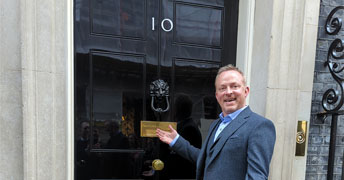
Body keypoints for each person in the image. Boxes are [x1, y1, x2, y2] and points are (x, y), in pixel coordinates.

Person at [156, 64, 276, 180]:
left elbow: (257, 176)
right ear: (217, 95)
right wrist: (176, 141)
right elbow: (206, 159)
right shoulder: (216, 124)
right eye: (222, 88)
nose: (228, 92)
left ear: (246, 91)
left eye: (234, 86)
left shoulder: (260, 125)